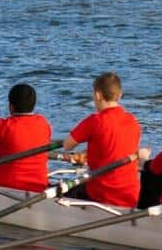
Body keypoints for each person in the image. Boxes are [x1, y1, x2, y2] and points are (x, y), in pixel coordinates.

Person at [59, 71, 142, 207]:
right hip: (131, 194)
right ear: (120, 95)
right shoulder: (133, 121)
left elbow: (67, 145)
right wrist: (89, 153)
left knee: (60, 193)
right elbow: (115, 148)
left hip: (102, 194)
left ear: (97, 95)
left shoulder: (95, 121)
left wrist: (82, 154)